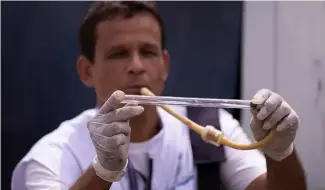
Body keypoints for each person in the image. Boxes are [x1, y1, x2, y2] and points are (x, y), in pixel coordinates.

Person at [11, 1, 306, 190]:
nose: (137, 67)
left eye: (148, 52)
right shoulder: (53, 156)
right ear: (87, 71)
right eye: (119, 54)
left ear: (164, 66)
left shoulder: (211, 127)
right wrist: (102, 172)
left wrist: (280, 153)